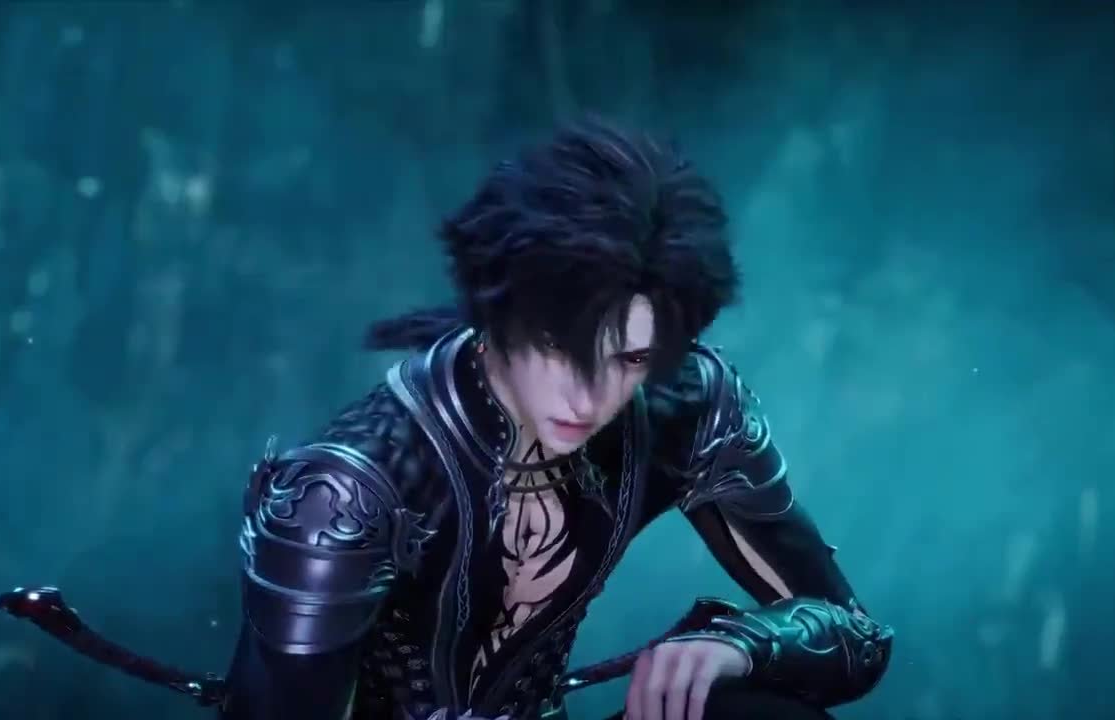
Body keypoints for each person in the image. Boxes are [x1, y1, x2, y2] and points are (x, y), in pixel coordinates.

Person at [219, 118, 893, 720]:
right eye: (560, 348)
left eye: (630, 359)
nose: (589, 398)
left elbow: (857, 637)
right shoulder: (350, 490)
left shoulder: (682, 405)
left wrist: (738, 646)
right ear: (500, 308)